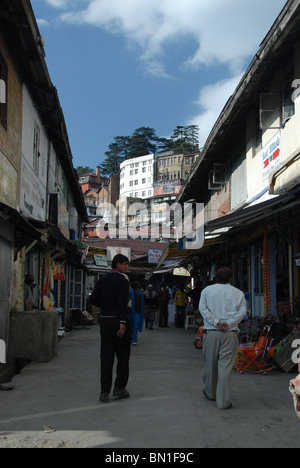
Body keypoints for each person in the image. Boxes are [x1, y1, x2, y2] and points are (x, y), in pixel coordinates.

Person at [199, 267, 246, 410]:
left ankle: (211, 393)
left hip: (211, 332)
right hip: (230, 333)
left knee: (210, 365)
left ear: (216, 278)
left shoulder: (207, 291)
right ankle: (223, 401)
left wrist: (215, 322)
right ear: (231, 279)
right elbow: (242, 312)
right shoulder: (238, 293)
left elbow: (203, 309)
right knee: (225, 367)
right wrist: (229, 323)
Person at [90, 254, 131, 404]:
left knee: (106, 356)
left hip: (105, 321)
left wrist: (106, 307)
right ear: (118, 265)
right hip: (119, 322)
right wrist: (122, 321)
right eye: (125, 264)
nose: (126, 267)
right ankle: (119, 388)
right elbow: (122, 302)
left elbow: (93, 299)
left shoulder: (103, 279)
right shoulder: (123, 280)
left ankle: (104, 391)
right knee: (123, 355)